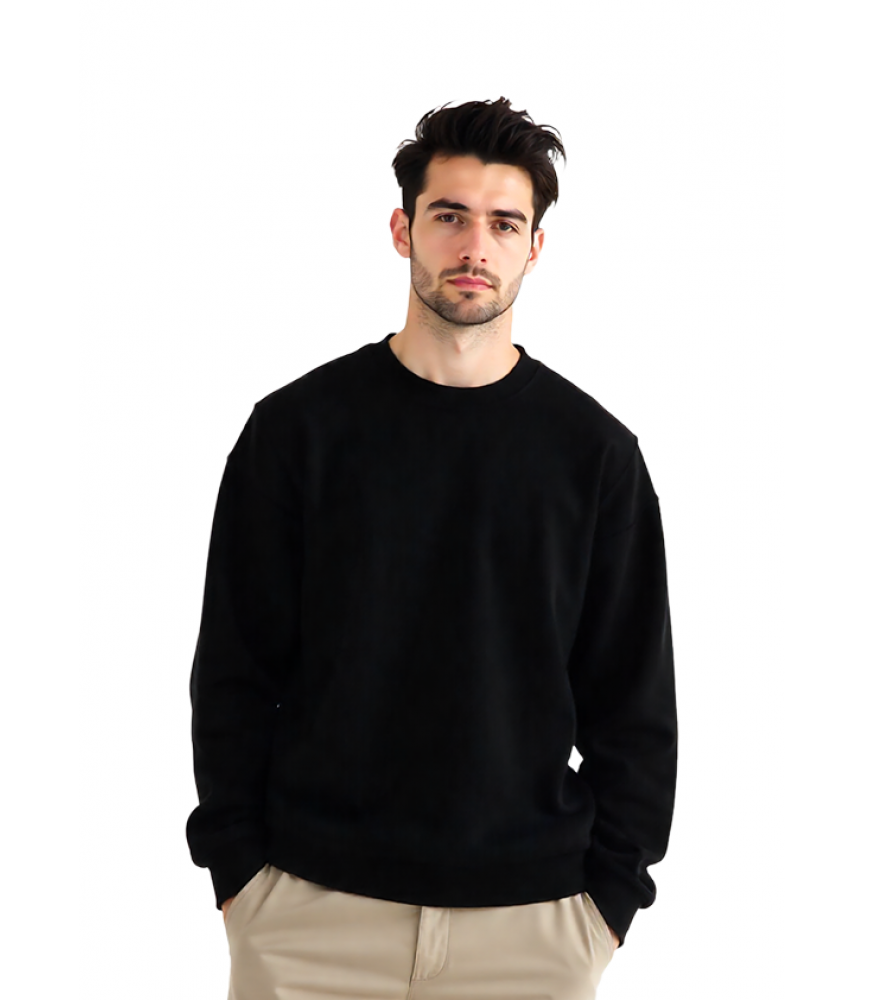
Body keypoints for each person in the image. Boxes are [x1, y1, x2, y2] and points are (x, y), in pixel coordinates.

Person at [186, 96, 677, 1000]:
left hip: (532, 928)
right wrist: (240, 879)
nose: (473, 246)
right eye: (449, 216)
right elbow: (234, 673)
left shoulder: (595, 457)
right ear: (401, 229)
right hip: (308, 918)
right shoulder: (296, 433)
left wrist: (604, 907)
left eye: (503, 223)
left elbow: (633, 706)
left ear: (534, 247)